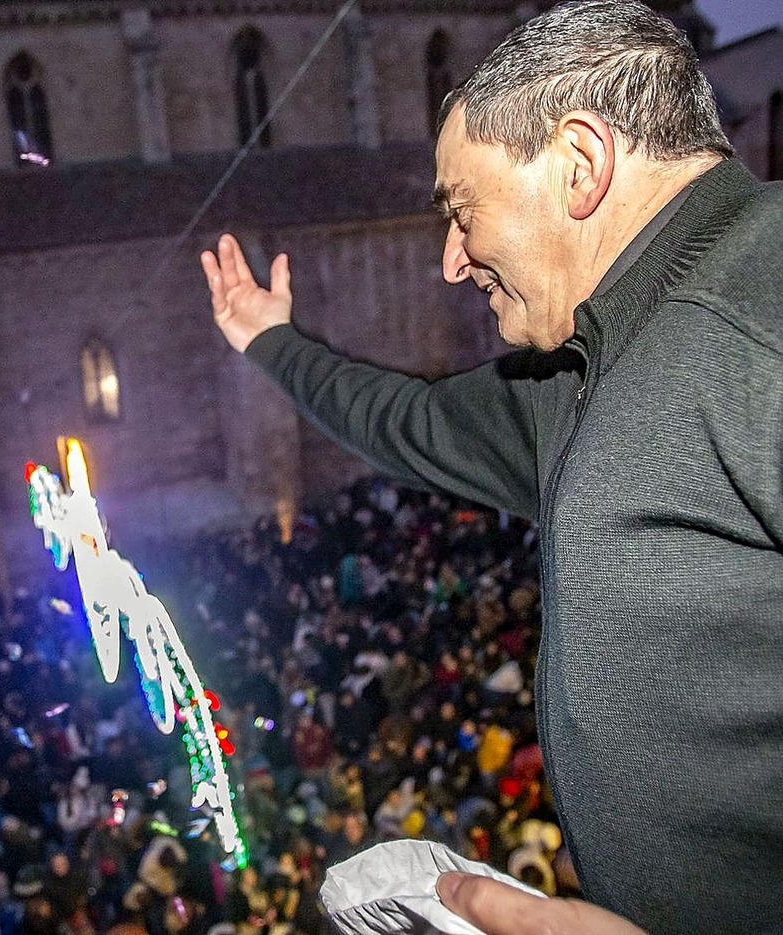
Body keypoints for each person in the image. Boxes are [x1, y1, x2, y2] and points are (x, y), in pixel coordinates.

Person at [200, 0, 783, 931]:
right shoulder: (578, 367)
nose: (450, 261)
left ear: (579, 166)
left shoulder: (761, 317)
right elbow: (413, 423)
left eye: (462, 213)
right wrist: (276, 345)